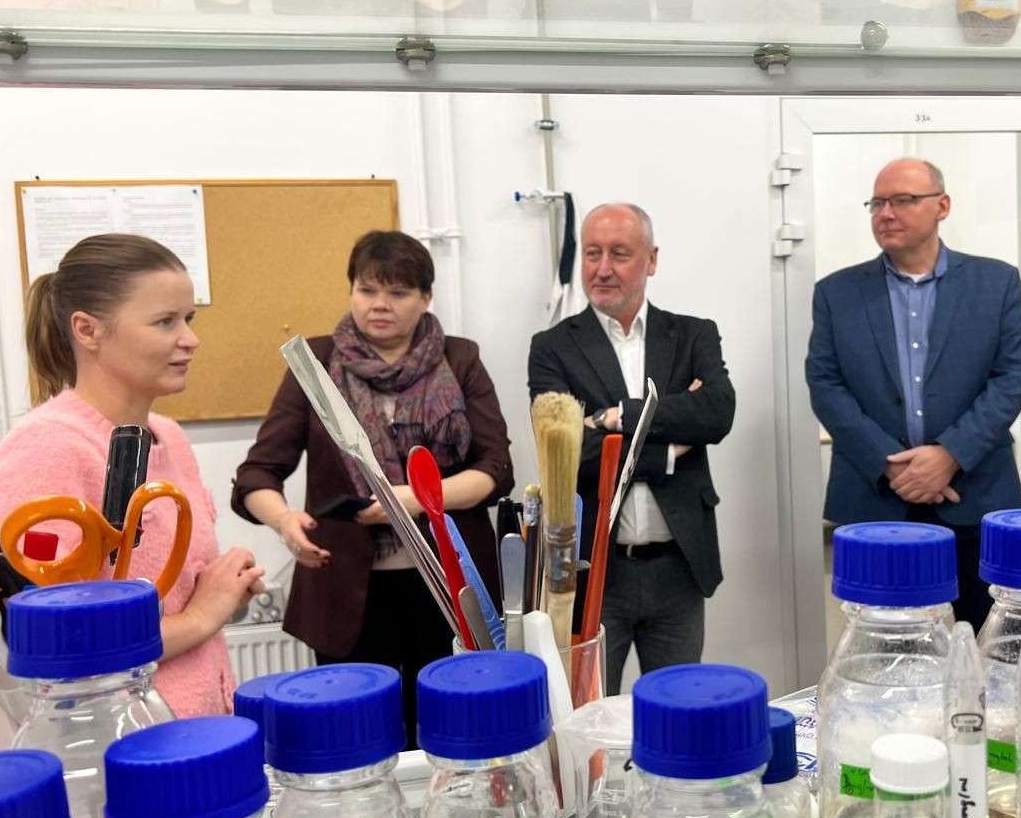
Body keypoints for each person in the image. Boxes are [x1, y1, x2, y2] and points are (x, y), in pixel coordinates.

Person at [233, 230, 513, 743]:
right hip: (345, 587)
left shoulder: (460, 358)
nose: (379, 304)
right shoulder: (315, 363)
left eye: (398, 293)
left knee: (451, 733)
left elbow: (495, 469)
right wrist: (285, 522)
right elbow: (257, 474)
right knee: (358, 739)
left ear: (425, 298)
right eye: (367, 290)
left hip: (449, 581)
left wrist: (415, 501)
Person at [0, 234, 263, 717]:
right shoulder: (47, 450)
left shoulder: (168, 437)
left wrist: (223, 591)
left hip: (193, 729)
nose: (190, 339)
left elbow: (165, 597)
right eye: (165, 321)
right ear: (87, 330)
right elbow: (57, 645)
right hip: (114, 741)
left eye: (188, 319)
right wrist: (201, 615)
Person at [806, 157, 1021, 630]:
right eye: (877, 203)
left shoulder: (996, 282)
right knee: (883, 645)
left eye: (903, 200)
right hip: (874, 499)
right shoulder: (836, 293)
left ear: (942, 206)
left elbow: (1011, 377)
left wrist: (949, 455)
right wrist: (890, 464)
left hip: (976, 494)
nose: (886, 213)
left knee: (989, 642)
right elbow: (825, 385)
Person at [527, 203, 736, 695]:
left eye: (619, 254)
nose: (602, 268)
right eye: (592, 253)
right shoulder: (552, 347)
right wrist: (667, 451)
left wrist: (613, 416)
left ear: (651, 260)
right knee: (589, 713)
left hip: (679, 566)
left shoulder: (693, 334)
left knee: (679, 708)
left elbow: (716, 414)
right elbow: (569, 453)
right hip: (596, 572)